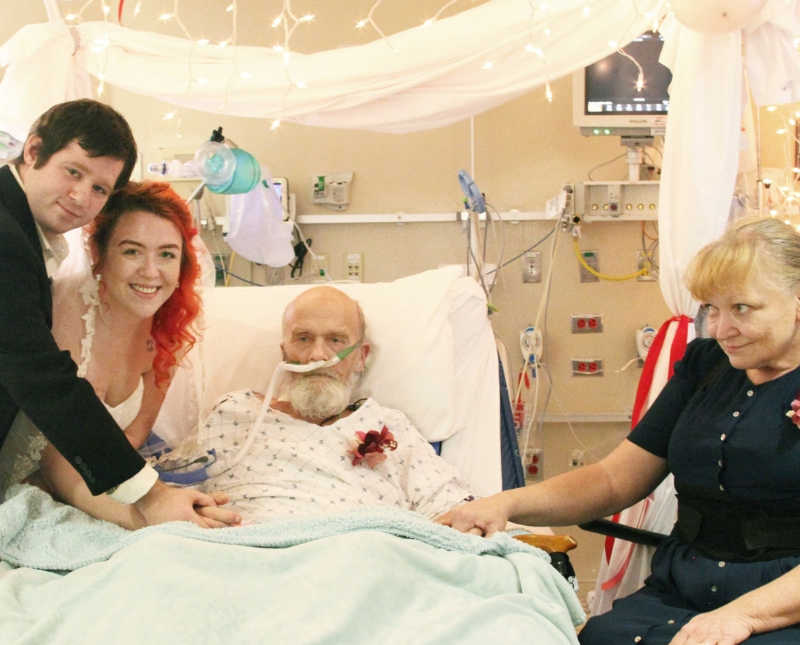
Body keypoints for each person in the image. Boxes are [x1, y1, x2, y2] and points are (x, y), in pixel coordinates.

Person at [438, 216, 800, 644]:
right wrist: (505, 504)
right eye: (712, 309)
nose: (722, 330)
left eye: (742, 308)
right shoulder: (705, 367)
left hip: (779, 603)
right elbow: (613, 480)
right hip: (680, 592)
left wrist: (743, 616)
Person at [0, 99, 228, 527]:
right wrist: (151, 502)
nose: (80, 197)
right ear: (33, 151)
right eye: (73, 171)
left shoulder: (20, 230)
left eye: (100, 189)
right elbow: (41, 380)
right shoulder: (6, 237)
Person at [192, 285, 473, 523]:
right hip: (244, 551)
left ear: (361, 357)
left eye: (336, 340)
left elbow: (453, 510)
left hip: (358, 553)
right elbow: (178, 493)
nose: (317, 355)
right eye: (303, 338)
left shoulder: (388, 425)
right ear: (284, 352)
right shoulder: (235, 412)